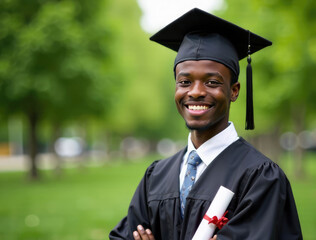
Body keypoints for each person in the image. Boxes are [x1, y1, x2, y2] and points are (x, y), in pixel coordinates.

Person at [110, 8, 302, 240]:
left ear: (234, 90)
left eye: (211, 82)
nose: (196, 92)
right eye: (185, 81)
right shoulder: (156, 176)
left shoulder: (260, 178)